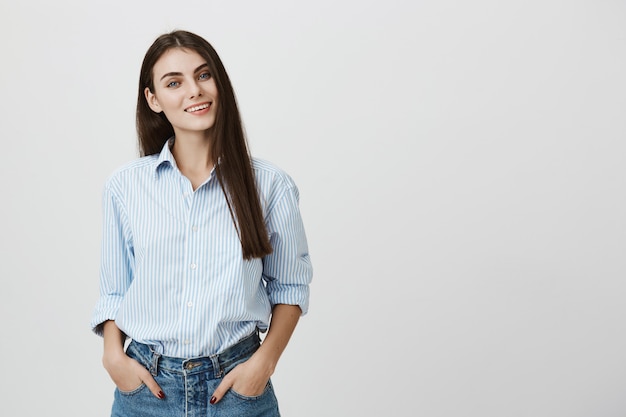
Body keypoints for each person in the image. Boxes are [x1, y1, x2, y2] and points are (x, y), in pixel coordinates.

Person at [90, 30, 313, 417]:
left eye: (203, 75)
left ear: (219, 84)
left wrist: (264, 364)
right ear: (153, 100)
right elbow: (115, 290)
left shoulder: (270, 185)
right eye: (174, 82)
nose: (194, 90)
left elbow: (290, 286)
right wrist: (114, 358)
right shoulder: (125, 187)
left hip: (237, 388)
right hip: (147, 390)